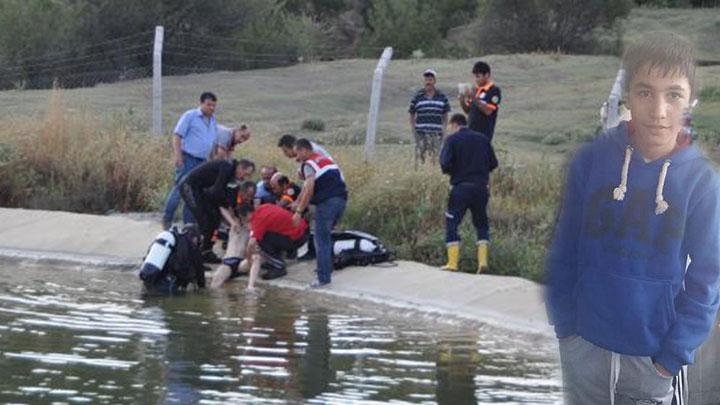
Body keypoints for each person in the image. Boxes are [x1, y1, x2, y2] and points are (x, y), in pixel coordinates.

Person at [545, 32, 720, 404]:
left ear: (691, 101)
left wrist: (671, 359)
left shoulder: (702, 181)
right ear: (627, 96)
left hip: (653, 359)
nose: (659, 111)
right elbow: (563, 250)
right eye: (645, 92)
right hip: (583, 349)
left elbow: (707, 278)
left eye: (673, 94)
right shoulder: (590, 161)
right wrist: (566, 329)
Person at [439, 113, 498, 273]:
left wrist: (456, 169)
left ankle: (452, 263)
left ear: (454, 125)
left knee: (452, 222)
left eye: (450, 127)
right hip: (481, 188)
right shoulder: (483, 139)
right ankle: (482, 262)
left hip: (461, 188)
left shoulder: (451, 140)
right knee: (481, 224)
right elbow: (493, 163)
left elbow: (445, 165)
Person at [292, 138, 347, 288]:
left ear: (304, 150)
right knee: (326, 237)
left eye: (297, 153)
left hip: (327, 203)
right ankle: (326, 269)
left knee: (321, 240)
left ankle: (323, 278)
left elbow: (309, 189)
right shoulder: (324, 159)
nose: (296, 158)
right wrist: (298, 201)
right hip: (341, 200)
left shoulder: (308, 164)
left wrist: (298, 212)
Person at [178, 158, 255, 263]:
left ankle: (207, 251)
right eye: (245, 174)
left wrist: (235, 214)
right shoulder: (227, 167)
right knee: (204, 221)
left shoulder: (233, 177)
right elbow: (217, 191)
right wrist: (228, 208)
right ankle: (194, 255)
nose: (244, 178)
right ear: (240, 168)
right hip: (189, 186)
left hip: (201, 190)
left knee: (214, 220)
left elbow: (229, 198)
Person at [162, 92, 220, 230]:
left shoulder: (213, 120)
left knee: (193, 194)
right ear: (201, 103)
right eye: (209, 104)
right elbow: (177, 136)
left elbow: (212, 142)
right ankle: (167, 219)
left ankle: (188, 225)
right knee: (180, 190)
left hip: (202, 162)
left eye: (214, 105)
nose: (211, 108)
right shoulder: (190, 116)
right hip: (188, 159)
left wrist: (211, 162)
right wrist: (178, 156)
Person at [241, 203, 310, 291]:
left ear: (246, 216)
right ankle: (275, 260)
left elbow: (251, 244)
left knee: (261, 240)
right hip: (302, 231)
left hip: (298, 238)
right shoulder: (263, 207)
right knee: (266, 235)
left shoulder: (258, 219)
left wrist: (249, 260)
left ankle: (278, 266)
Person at [409, 69, 451, 164]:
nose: (428, 82)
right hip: (421, 133)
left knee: (436, 159)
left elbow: (445, 116)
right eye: (426, 80)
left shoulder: (442, 97)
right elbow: (411, 114)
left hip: (436, 134)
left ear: (434, 81)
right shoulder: (417, 96)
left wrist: (444, 130)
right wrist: (413, 130)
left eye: (430, 80)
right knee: (420, 159)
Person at [458, 61, 501, 142]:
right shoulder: (475, 89)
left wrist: (473, 97)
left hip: (484, 134)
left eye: (478, 76)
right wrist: (462, 100)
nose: (476, 79)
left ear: (487, 75)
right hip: (470, 132)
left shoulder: (493, 90)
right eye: (475, 77)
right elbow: (468, 111)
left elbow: (488, 111)